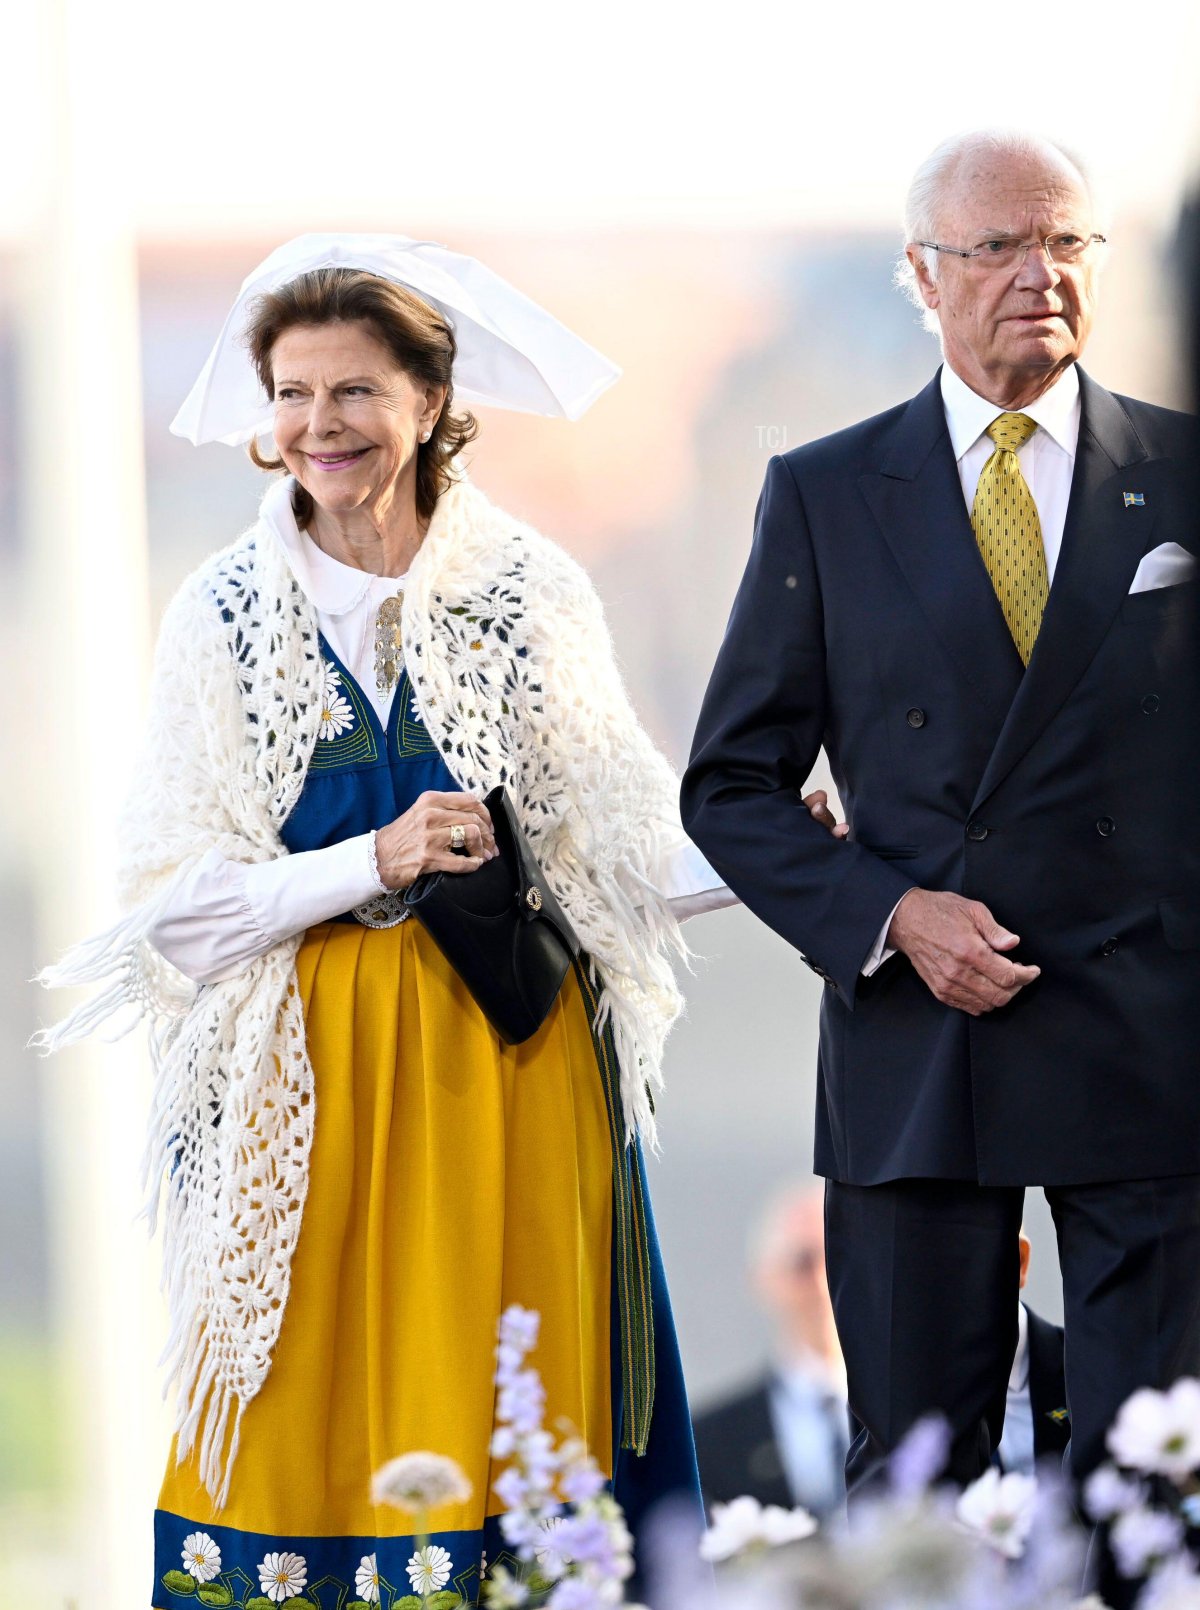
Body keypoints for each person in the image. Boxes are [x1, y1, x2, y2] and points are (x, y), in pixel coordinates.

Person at [38, 235, 730, 1607]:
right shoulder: (222, 618)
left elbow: (625, 854)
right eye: (292, 394)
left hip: (516, 1088)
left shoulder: (530, 592)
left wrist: (794, 846)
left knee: (521, 1460)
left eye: (354, 390)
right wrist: (372, 853)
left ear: (429, 398)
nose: (317, 425)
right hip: (312, 1107)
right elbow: (169, 922)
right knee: (304, 1468)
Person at [682, 127, 1200, 1527]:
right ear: (923, 275)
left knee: (1159, 1478)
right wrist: (893, 914)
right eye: (997, 247)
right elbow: (729, 783)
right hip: (923, 1048)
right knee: (915, 1482)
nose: (1040, 274)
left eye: (1069, 242)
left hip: (1152, 1046)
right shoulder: (828, 491)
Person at [692, 1182, 848, 1518]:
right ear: (763, 1279)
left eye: (838, 1259)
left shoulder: (918, 1420)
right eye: (803, 1264)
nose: (824, 1284)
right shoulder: (707, 1443)